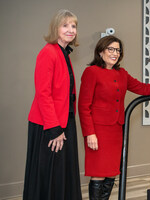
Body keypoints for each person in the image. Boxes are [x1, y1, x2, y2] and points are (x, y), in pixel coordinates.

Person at [78, 35, 150, 200]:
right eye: (110, 49)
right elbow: (83, 106)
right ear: (100, 51)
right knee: (98, 173)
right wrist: (89, 133)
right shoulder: (91, 72)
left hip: (116, 130)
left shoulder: (122, 74)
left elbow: (143, 88)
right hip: (97, 131)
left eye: (118, 50)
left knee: (112, 173)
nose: (115, 53)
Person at [23, 9, 82, 200]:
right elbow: (43, 94)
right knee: (50, 176)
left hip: (65, 121)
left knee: (61, 174)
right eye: (65, 25)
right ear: (55, 28)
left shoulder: (63, 53)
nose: (70, 30)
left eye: (73, 26)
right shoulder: (48, 52)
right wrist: (54, 129)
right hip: (49, 125)